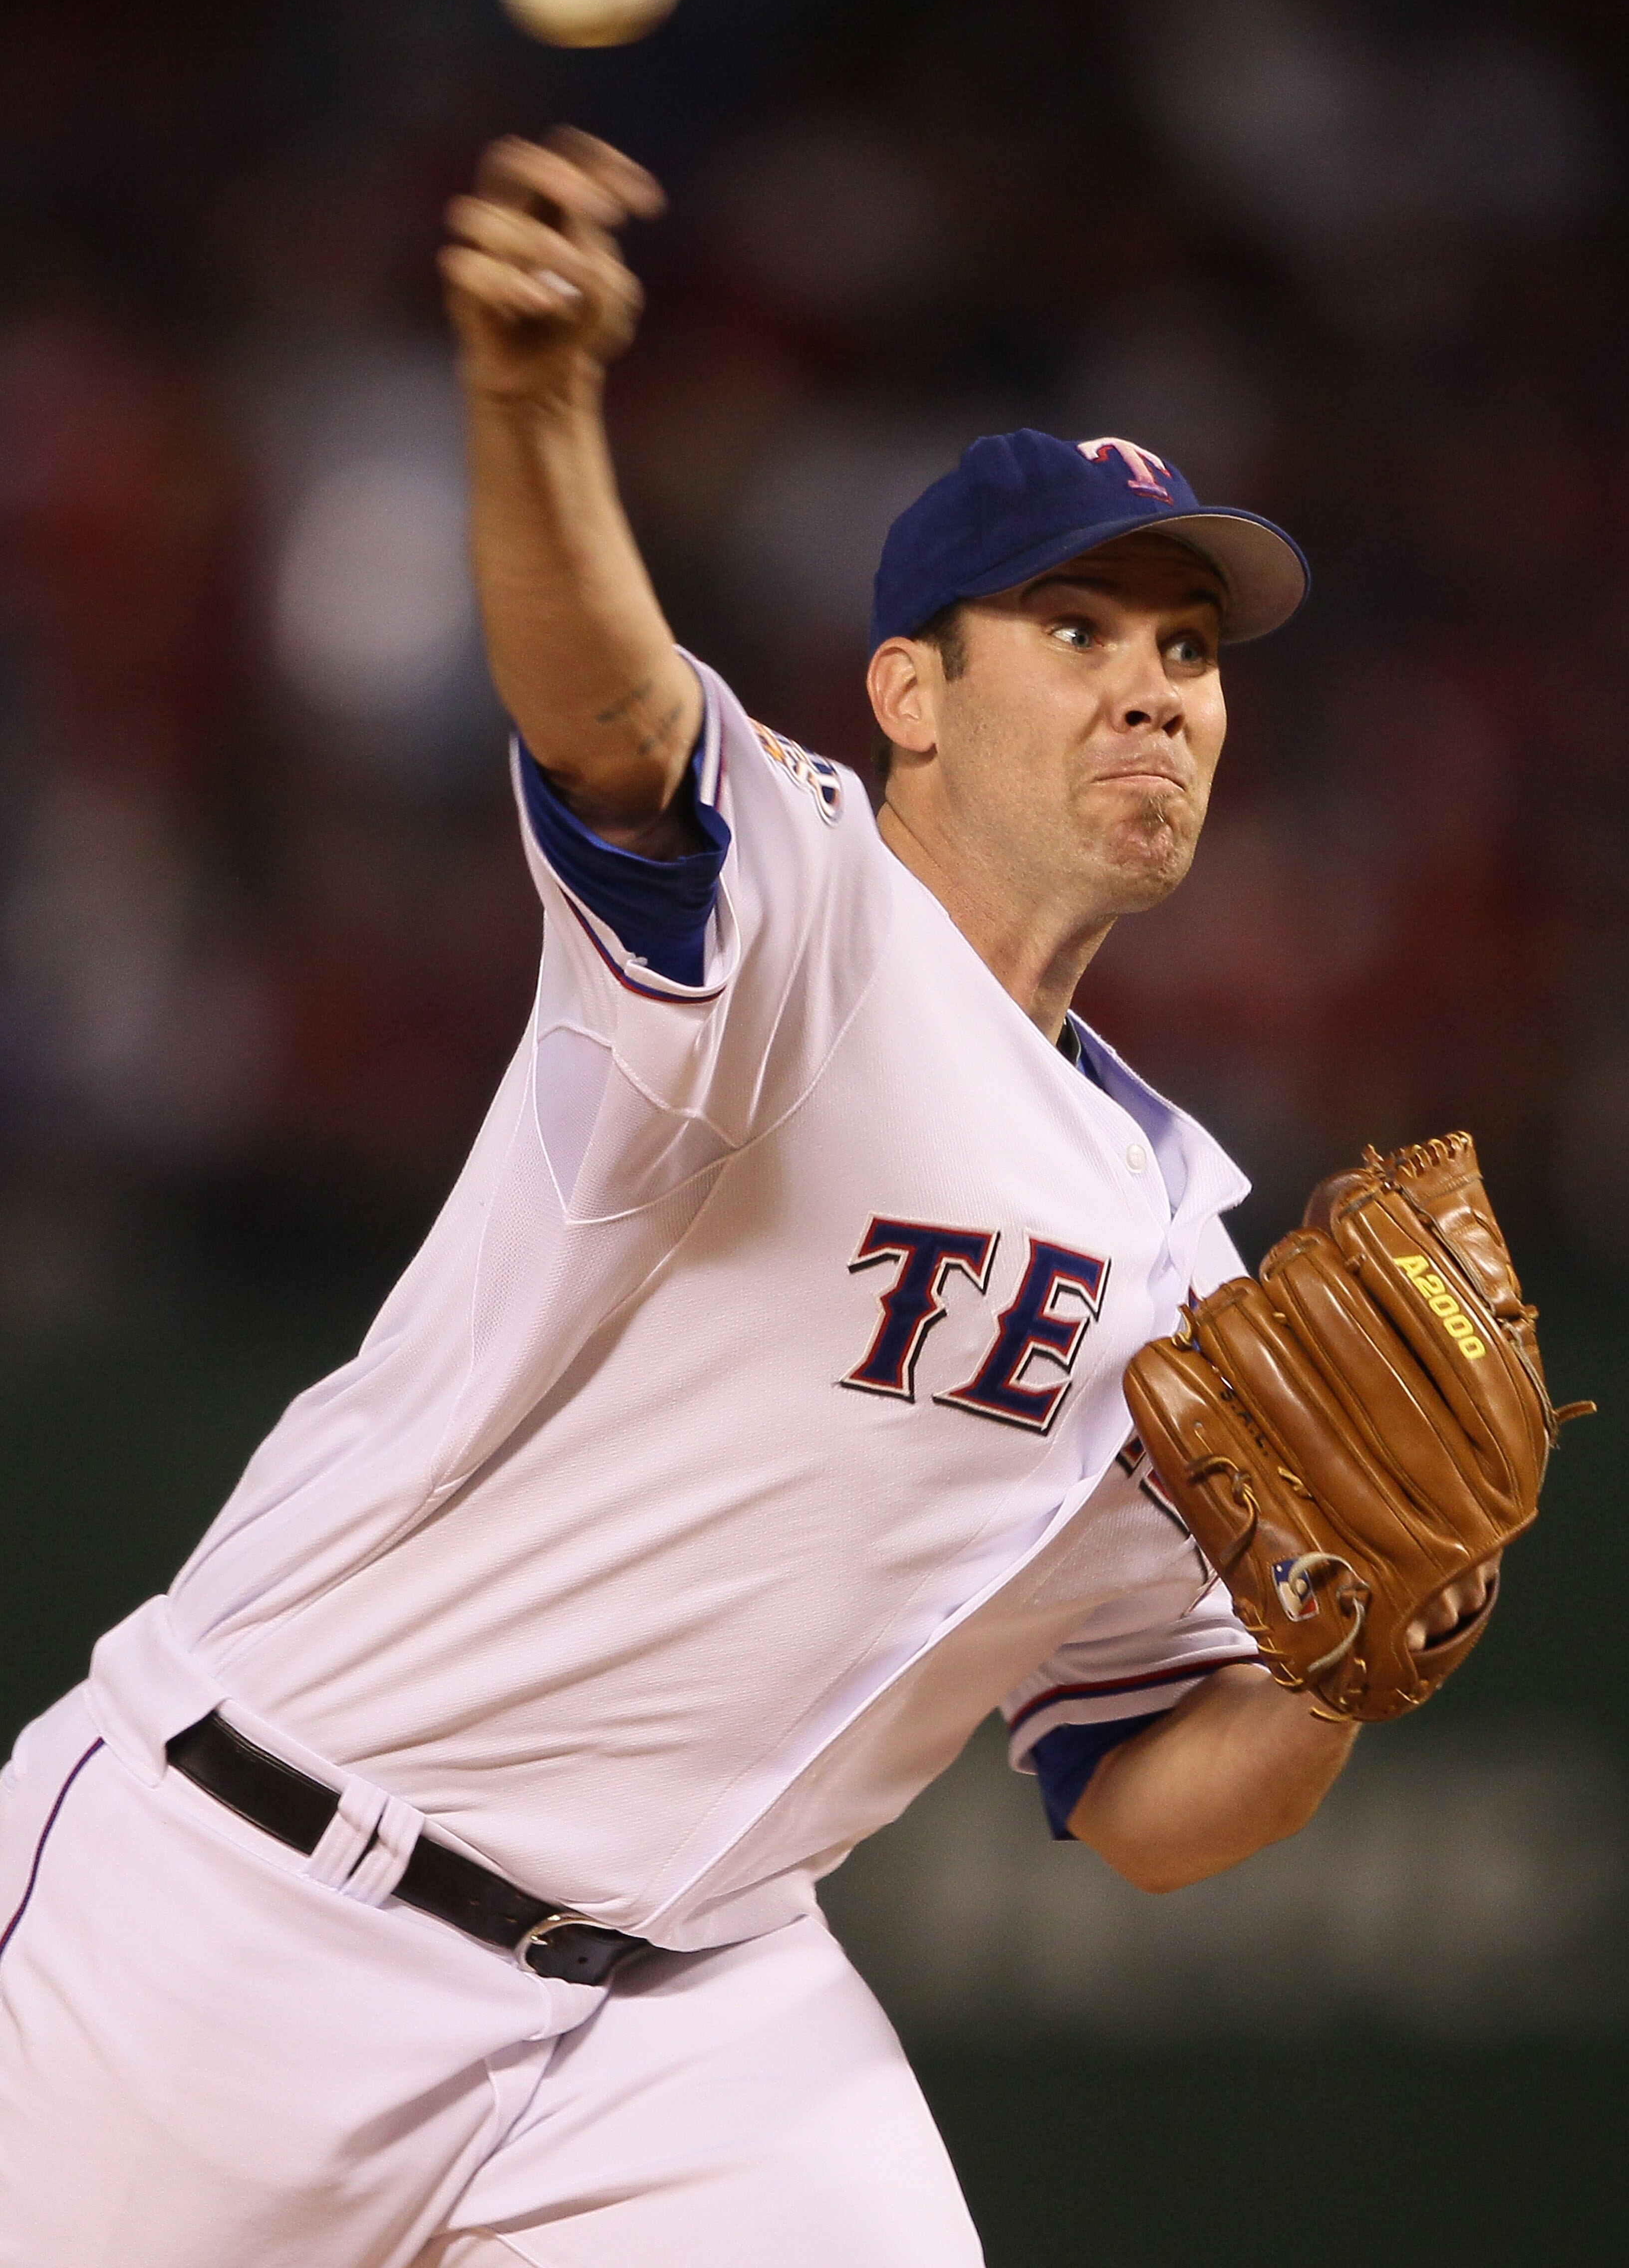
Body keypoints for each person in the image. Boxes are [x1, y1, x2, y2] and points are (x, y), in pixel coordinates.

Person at [0, 130, 1495, 2268]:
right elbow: (608, 714)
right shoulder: (796, 907)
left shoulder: (1182, 1245)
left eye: (1192, 648)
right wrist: (530, 413)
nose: (1156, 682)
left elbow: (1146, 1807)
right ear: (906, 694)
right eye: (1076, 627)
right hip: (241, 1899)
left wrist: (1341, 1675)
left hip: (686, 2022)